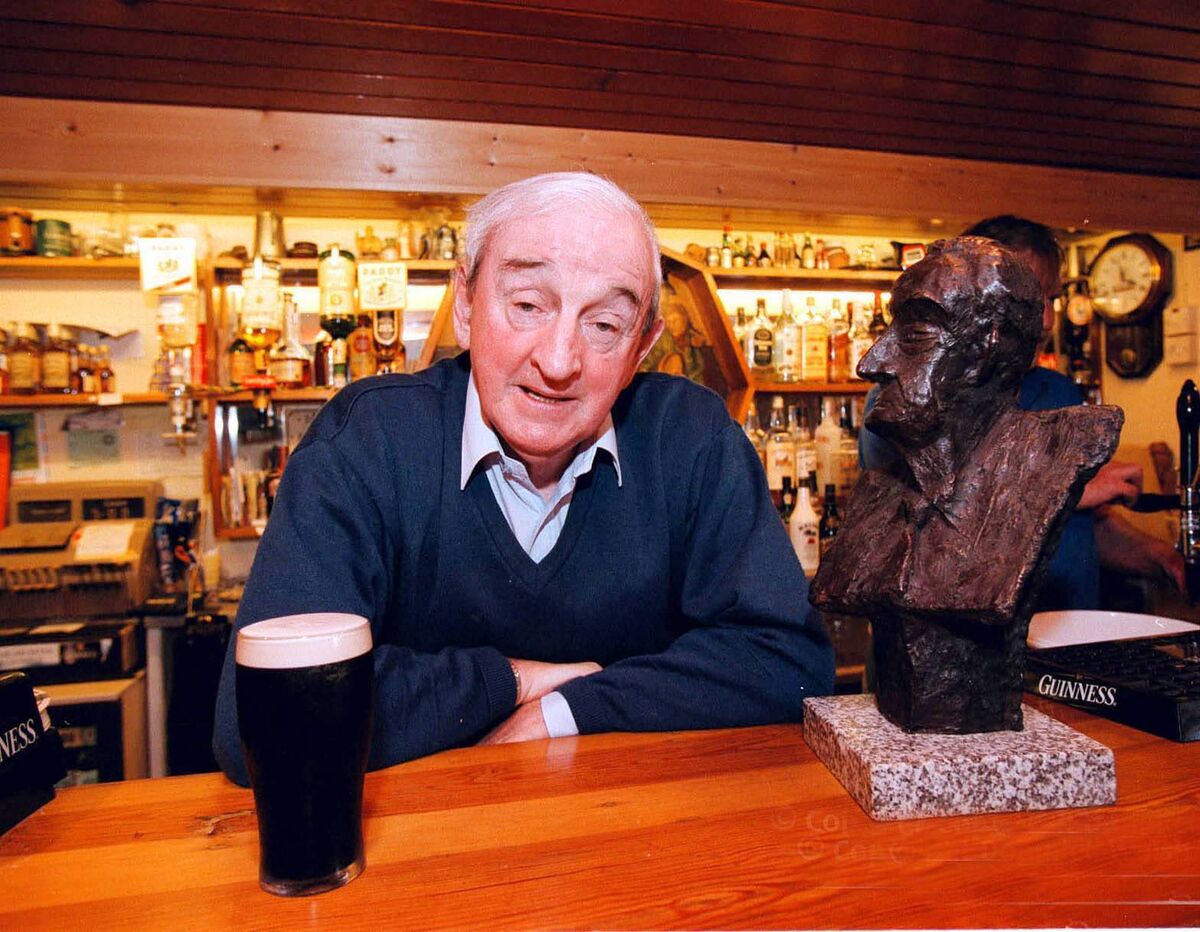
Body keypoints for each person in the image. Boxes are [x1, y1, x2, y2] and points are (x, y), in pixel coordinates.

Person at [213, 172, 834, 785]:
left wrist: (564, 711)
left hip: (634, 852)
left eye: (604, 326)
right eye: (528, 305)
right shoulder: (368, 441)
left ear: (642, 348)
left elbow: (787, 663)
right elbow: (264, 714)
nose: (559, 362)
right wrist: (509, 680)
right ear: (464, 302)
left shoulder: (689, 437)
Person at [814, 236, 1123, 732]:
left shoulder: (1052, 456)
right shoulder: (881, 491)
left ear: (985, 349)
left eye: (914, 334)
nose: (871, 361)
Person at [859, 214, 1184, 610]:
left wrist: (1160, 557)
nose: (1047, 320)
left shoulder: (1058, 390)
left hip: (1069, 643)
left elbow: (1084, 529)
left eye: (1052, 299)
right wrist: (1068, 485)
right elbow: (931, 522)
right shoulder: (906, 394)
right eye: (1033, 299)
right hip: (964, 657)